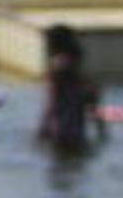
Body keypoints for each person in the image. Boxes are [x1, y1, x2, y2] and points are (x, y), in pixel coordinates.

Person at [34, 22, 105, 155]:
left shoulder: (56, 68)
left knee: (60, 171)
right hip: (78, 133)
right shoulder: (81, 71)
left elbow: (51, 105)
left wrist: (39, 134)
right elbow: (93, 105)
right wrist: (102, 132)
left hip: (60, 133)